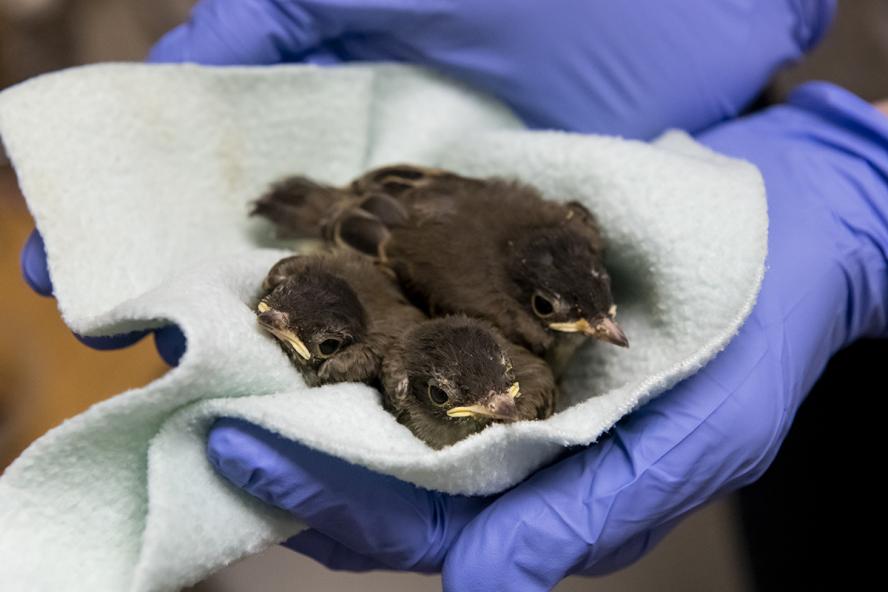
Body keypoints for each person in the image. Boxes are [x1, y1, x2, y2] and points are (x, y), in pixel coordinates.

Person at [19, 1, 888, 590]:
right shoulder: (466, 300)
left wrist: (869, 180)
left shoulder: (529, 281)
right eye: (565, 318)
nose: (602, 333)